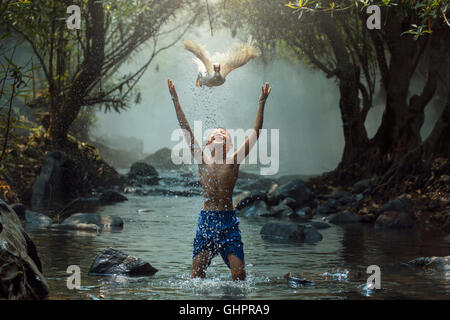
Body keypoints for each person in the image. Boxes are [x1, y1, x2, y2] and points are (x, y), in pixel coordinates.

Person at [167, 79, 271, 280]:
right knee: (196, 277)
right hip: (207, 221)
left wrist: (261, 102)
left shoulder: (233, 161)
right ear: (208, 142)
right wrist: (175, 100)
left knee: (239, 277)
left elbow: (255, 132)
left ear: (230, 144)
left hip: (228, 222)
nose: (220, 132)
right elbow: (185, 128)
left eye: (224, 133)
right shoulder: (202, 160)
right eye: (216, 132)